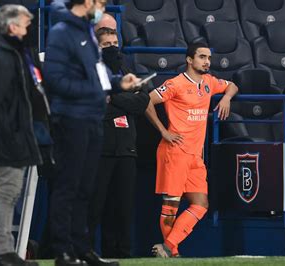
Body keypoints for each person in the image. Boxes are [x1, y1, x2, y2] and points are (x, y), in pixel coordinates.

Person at [43, 0, 140, 265]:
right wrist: (94, 92)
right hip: (71, 119)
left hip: (92, 120)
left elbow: (98, 73)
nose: (102, 6)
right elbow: (54, 79)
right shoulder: (62, 32)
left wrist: (119, 82)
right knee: (68, 187)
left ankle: (82, 249)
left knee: (85, 189)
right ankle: (62, 251)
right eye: (100, 2)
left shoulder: (87, 31)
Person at [0, 4, 49, 266]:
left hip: (18, 135)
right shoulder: (1, 58)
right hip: (7, 137)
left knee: (11, 192)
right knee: (6, 192)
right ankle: (1, 253)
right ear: (12, 27)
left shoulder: (17, 54)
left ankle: (5, 252)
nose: (29, 29)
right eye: (26, 25)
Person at [146, 42, 238, 258]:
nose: (207, 61)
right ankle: (172, 251)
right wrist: (163, 131)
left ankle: (168, 247)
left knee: (201, 204)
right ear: (189, 59)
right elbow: (146, 101)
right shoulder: (175, 84)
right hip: (175, 151)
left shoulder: (209, 82)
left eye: (208, 57)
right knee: (171, 205)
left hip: (195, 155)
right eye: (202, 57)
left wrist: (226, 98)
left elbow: (232, 85)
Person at [87, 26, 149, 258]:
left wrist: (113, 97)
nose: (112, 48)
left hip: (126, 149)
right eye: (106, 45)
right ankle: (88, 253)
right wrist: (125, 100)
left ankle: (122, 255)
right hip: (99, 149)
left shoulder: (125, 68)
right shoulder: (92, 69)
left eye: (115, 44)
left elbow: (142, 102)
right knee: (94, 208)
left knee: (123, 209)